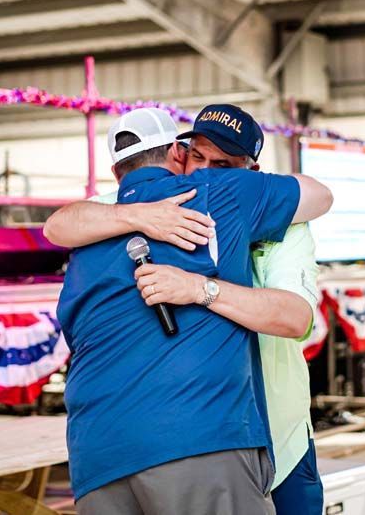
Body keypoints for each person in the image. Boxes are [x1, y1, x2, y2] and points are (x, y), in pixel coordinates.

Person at [46, 104, 324, 514]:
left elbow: (295, 317)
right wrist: (139, 215)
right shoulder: (112, 213)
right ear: (179, 152)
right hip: (206, 434)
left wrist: (200, 288)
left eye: (223, 164)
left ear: (253, 170)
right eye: (199, 157)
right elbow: (56, 225)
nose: (206, 171)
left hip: (271, 434)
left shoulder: (254, 207)